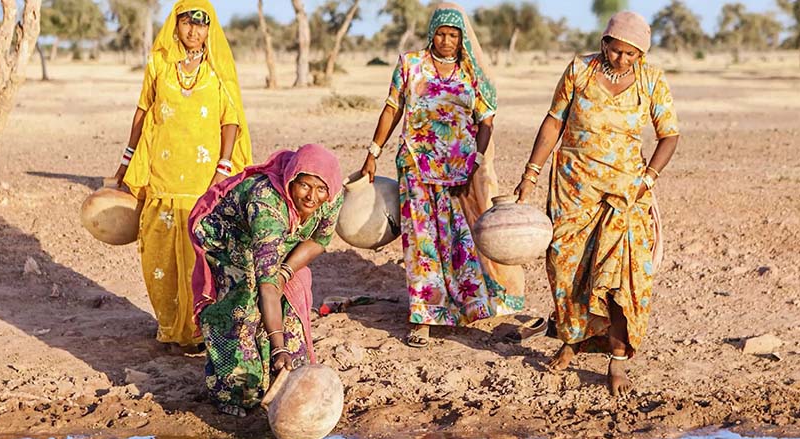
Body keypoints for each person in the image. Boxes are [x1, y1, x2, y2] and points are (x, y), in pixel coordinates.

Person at [515, 11, 680, 395]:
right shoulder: (579, 70)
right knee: (567, 269)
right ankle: (571, 342)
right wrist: (530, 175)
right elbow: (554, 121)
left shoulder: (652, 81)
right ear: (604, 42)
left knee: (623, 277)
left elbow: (669, 135)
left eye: (631, 54)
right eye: (615, 49)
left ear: (642, 54)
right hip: (573, 189)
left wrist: (648, 178)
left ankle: (617, 360)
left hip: (626, 195)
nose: (621, 59)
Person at [360, 2, 524, 348]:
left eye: (453, 35)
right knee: (421, 241)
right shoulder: (411, 64)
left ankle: (466, 306)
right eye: (441, 33)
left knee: (458, 241)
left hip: (459, 171)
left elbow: (487, 121)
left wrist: (476, 160)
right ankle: (424, 316)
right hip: (416, 165)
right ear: (431, 33)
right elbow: (393, 107)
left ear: (461, 38)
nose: (447, 41)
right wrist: (373, 152)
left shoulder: (470, 73)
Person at [113, 0, 252, 348]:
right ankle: (169, 325)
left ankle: (198, 330)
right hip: (163, 173)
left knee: (200, 255)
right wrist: (127, 159)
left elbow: (230, 118)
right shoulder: (159, 63)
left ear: (210, 30)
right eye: (187, 23)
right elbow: (143, 111)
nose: (193, 30)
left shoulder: (218, 68)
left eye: (201, 25)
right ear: (175, 25)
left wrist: (223, 166)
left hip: (203, 178)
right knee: (158, 253)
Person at [189, 145, 344, 417]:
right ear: (291, 180)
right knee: (239, 308)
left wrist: (286, 270)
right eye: (304, 186)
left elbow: (319, 240)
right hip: (229, 240)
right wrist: (278, 345)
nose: (312, 196)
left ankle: (281, 378)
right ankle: (233, 392)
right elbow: (267, 286)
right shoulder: (266, 205)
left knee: (291, 308)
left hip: (277, 242)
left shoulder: (332, 196)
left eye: (320, 189)